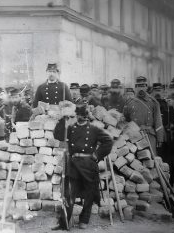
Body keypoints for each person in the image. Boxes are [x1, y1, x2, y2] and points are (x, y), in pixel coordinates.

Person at [53, 100, 113, 230]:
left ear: (87, 116)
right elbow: (57, 135)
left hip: (88, 165)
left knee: (89, 194)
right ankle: (66, 221)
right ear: (76, 115)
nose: (82, 117)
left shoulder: (94, 129)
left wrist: (97, 155)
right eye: (80, 115)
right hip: (74, 165)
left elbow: (108, 141)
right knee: (69, 194)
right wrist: (62, 119)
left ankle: (84, 219)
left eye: (85, 115)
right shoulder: (71, 128)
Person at [123, 76, 164, 155]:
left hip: (149, 135)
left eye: (142, 85)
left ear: (146, 87)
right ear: (135, 87)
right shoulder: (129, 102)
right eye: (138, 86)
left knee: (151, 160)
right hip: (134, 137)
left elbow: (158, 121)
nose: (140, 88)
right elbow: (126, 120)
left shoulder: (153, 102)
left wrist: (160, 138)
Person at [151, 83, 174, 186]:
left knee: (167, 161)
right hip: (152, 137)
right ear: (152, 92)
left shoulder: (168, 106)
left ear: (163, 92)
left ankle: (168, 183)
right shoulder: (149, 105)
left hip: (166, 139)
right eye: (155, 90)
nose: (157, 92)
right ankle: (156, 184)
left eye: (160, 90)